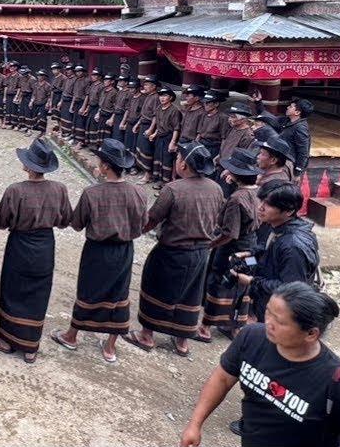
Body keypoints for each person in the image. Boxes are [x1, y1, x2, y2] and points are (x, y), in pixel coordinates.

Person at [179, 282, 340, 447]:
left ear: (311, 333)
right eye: (268, 312)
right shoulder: (252, 337)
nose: (268, 322)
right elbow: (222, 378)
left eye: (279, 321)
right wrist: (195, 425)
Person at [49, 138, 148, 364]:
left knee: (88, 292)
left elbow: (76, 224)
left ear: (104, 166)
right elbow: (143, 223)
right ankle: (110, 346)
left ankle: (71, 335)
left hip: (97, 251)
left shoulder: (92, 193)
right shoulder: (139, 193)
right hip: (124, 250)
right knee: (119, 294)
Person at [123, 142, 223, 358]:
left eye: (178, 158)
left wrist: (133, 231)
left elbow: (152, 218)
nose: (176, 161)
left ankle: (146, 335)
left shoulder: (174, 189)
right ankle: (182, 340)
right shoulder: (216, 188)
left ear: (184, 165)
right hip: (200, 253)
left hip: (172, 250)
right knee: (190, 294)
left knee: (156, 287)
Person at [0, 138, 71, 363]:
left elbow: (1, 221)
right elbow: (64, 221)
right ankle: (31, 346)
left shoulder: (16, 190)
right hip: (45, 246)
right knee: (39, 293)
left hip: (20, 246)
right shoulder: (59, 189)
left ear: (27, 166)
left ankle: (6, 340)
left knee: (12, 291)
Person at [233, 181, 320, 325]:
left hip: (284, 314)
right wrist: (250, 255)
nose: (260, 207)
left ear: (289, 211)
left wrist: (252, 282)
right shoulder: (278, 227)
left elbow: (290, 288)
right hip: (268, 303)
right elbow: (269, 254)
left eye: (269, 205)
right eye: (260, 201)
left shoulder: (293, 246)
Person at [198, 148, 261, 342]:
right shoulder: (258, 193)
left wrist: (211, 244)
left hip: (232, 248)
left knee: (219, 282)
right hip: (251, 245)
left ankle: (206, 326)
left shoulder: (236, 199)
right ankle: (236, 325)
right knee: (242, 286)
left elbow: (229, 233)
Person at [279, 99, 313, 175]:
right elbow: (270, 119)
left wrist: (297, 171)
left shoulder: (300, 128)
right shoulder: (286, 121)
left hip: (288, 163)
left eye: (291, 107)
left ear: (297, 112)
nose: (287, 107)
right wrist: (258, 103)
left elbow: (303, 152)